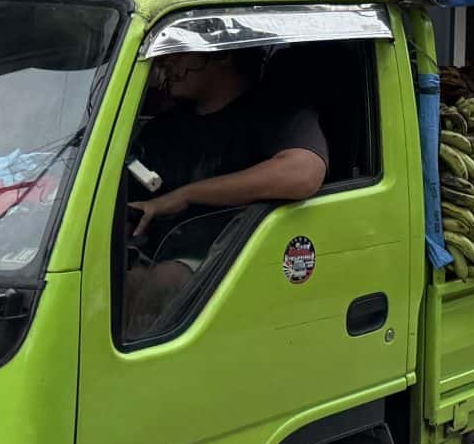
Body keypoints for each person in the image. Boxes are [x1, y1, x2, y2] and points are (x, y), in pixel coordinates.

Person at [122, 49, 329, 335]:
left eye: (179, 52)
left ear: (222, 56)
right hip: (151, 256)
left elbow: (303, 173)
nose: (166, 63)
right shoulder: (163, 128)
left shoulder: (277, 114)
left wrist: (185, 195)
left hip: (227, 271)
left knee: (166, 280)